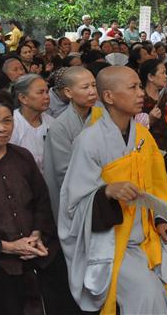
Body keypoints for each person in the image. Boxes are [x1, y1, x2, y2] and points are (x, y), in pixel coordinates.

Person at [57, 66, 167, 314]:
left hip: (149, 231)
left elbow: (158, 187)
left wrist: (161, 219)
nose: (141, 93)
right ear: (109, 97)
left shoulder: (142, 136)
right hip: (113, 241)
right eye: (133, 87)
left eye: (140, 86)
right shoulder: (88, 142)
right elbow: (73, 206)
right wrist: (106, 191)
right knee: (148, 294)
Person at [0, 93, 80, 315]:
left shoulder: (22, 156)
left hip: (37, 251)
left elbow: (41, 201)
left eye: (7, 121)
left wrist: (37, 234)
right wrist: (7, 247)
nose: (2, 128)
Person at [42, 67, 102, 220]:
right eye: (85, 87)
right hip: (78, 197)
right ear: (68, 92)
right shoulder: (60, 127)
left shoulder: (103, 115)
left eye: (94, 85)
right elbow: (65, 172)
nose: (92, 92)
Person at [9, 74, 54, 173]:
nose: (47, 97)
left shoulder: (52, 122)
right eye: (40, 92)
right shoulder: (12, 123)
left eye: (47, 92)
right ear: (23, 98)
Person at [139, 59, 167, 152]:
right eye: (163, 73)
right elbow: (137, 133)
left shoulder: (166, 98)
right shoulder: (139, 101)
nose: (166, 76)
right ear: (151, 77)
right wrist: (150, 120)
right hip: (151, 150)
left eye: (166, 73)